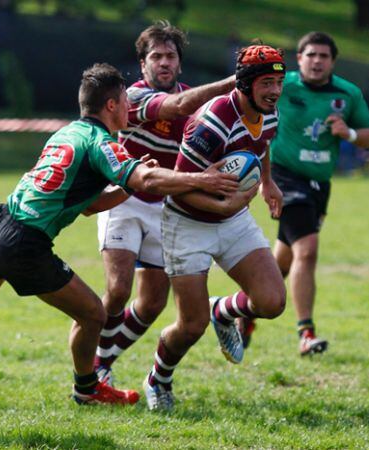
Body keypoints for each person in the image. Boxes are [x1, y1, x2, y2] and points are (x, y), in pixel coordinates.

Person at [0, 63, 238, 406]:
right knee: (93, 315)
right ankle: (88, 388)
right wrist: (202, 179)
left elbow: (87, 205)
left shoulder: (67, 133)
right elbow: (145, 180)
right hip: (25, 242)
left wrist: (126, 190)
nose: (131, 107)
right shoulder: (101, 144)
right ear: (112, 105)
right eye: (126, 101)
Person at [141, 44, 287, 411]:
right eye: (267, 82)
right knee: (190, 328)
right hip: (187, 223)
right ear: (246, 84)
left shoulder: (269, 112)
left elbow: (262, 144)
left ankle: (221, 311)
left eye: (279, 82)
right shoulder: (212, 122)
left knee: (272, 302)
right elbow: (180, 187)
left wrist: (267, 183)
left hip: (233, 219)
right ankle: (159, 379)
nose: (275, 90)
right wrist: (229, 203)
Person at [92, 21, 236, 385]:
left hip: (166, 206)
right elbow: (174, 107)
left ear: (180, 63)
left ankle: (102, 361)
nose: (164, 63)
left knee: (153, 302)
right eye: (155, 56)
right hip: (123, 200)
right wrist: (235, 82)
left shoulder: (198, 105)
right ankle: (94, 360)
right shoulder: (134, 97)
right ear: (142, 65)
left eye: (170, 56)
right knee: (119, 289)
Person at [235, 32, 369, 356]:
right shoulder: (281, 86)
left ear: (333, 62)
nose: (316, 61)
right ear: (299, 59)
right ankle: (306, 333)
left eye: (323, 56)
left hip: (319, 185)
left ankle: (246, 310)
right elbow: (245, 104)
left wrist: (349, 133)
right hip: (284, 175)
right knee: (308, 250)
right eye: (310, 55)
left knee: (284, 258)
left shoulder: (348, 93)